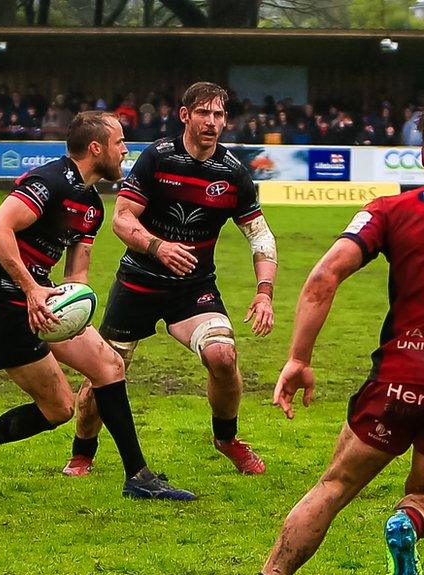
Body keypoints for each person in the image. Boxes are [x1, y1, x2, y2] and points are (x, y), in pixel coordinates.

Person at [261, 97, 424, 575]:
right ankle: (408, 521)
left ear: (423, 156)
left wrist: (299, 358)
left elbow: (323, 277)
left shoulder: (392, 208)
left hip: (399, 378)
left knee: (333, 487)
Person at [0, 110, 195, 502]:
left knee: (109, 365)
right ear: (96, 148)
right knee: (58, 408)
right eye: (119, 142)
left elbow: (78, 271)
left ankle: (138, 477)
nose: (125, 149)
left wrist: (77, 305)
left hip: (42, 302)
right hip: (1, 308)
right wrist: (31, 289)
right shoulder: (50, 181)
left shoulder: (91, 205)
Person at [62, 82, 276, 478]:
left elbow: (260, 235)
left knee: (223, 357)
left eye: (218, 115)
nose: (211, 122)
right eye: (202, 113)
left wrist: (264, 293)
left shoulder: (232, 174)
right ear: (185, 116)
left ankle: (227, 439)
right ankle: (82, 451)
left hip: (192, 290)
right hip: (138, 282)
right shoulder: (157, 158)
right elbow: (122, 219)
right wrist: (157, 247)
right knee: (103, 374)